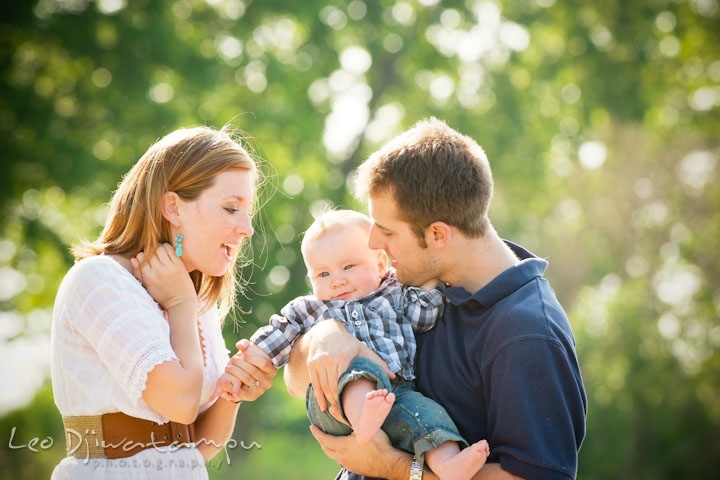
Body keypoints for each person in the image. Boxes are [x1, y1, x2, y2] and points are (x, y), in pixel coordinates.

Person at [283, 118, 588, 480]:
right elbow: (297, 381)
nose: (373, 245)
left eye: (387, 232)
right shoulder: (413, 284)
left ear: (438, 234)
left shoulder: (526, 333)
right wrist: (327, 335)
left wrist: (397, 469)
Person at [50, 126, 277, 479]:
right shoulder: (98, 281)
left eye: (247, 211)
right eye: (231, 208)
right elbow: (181, 403)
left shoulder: (192, 299)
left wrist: (233, 391)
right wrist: (180, 304)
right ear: (173, 206)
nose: (247, 228)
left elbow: (198, 446)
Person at [215, 210, 490, 479]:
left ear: (381, 265)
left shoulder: (394, 293)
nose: (337, 281)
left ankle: (448, 465)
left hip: (398, 393)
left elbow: (424, 316)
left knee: (428, 415)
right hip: (338, 403)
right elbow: (279, 332)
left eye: (348, 267)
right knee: (357, 368)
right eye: (323, 275)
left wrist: (432, 278)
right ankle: (363, 419)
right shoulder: (313, 308)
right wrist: (251, 358)